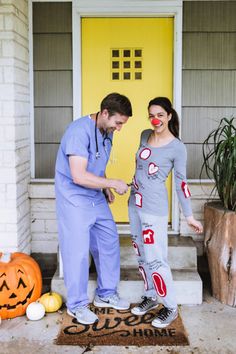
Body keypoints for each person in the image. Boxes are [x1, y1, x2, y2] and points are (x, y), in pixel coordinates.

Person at [55, 93, 132, 325]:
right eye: (118, 123)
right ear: (105, 113)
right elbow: (78, 175)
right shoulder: (78, 131)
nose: (119, 128)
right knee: (77, 252)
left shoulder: (107, 132)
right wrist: (112, 183)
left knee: (108, 241)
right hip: (74, 197)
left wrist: (105, 183)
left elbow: (96, 163)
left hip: (95, 195)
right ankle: (77, 305)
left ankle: (106, 294)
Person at [128, 97, 203, 328]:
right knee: (140, 254)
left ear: (169, 115)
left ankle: (170, 307)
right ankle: (150, 297)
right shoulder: (144, 135)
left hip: (154, 209)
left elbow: (181, 183)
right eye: (151, 114)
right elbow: (139, 169)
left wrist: (188, 215)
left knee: (156, 260)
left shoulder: (177, 147)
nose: (155, 119)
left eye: (160, 114)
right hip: (134, 203)